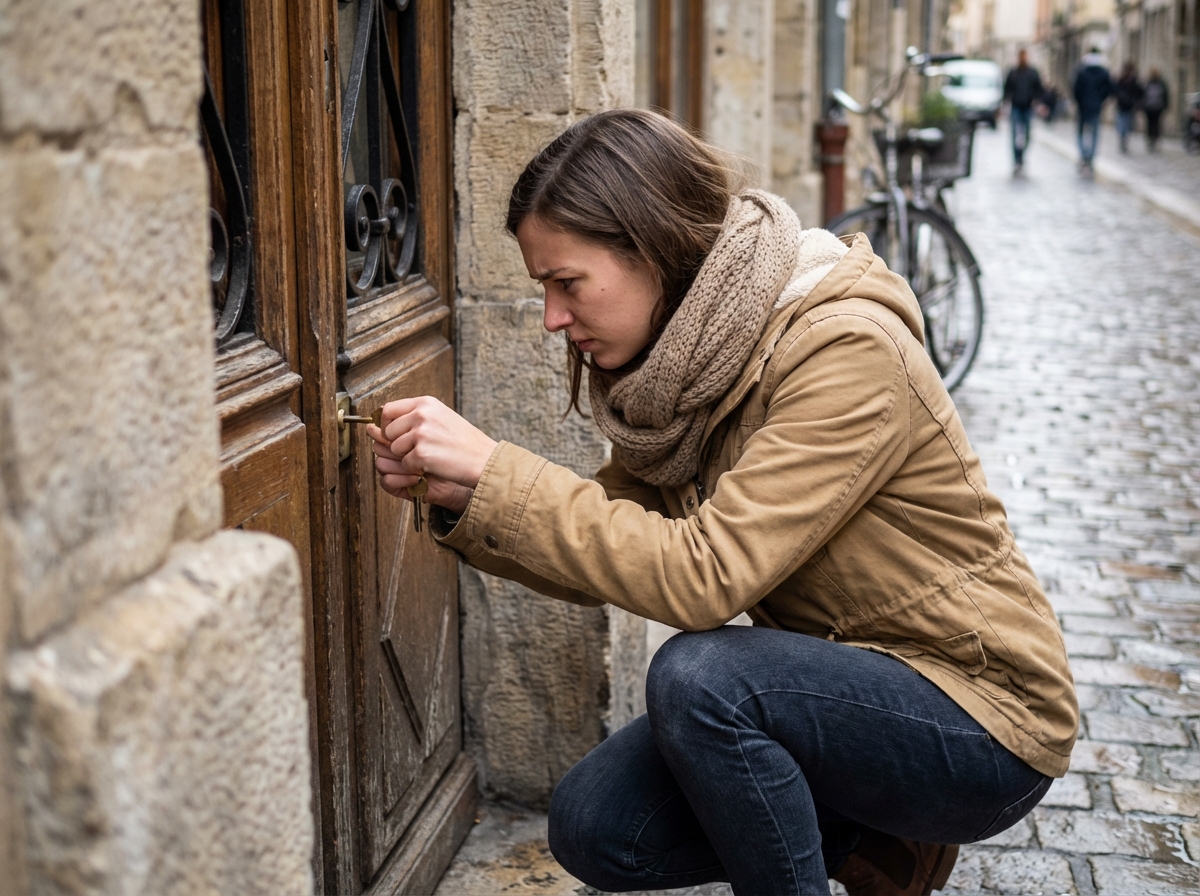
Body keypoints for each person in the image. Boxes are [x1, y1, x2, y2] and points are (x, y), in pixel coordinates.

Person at [367, 110, 1078, 896]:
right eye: (544, 289)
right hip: (844, 684)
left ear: (652, 247)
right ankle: (871, 845)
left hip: (980, 716)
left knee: (701, 676)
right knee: (598, 824)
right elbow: (616, 542)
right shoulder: (688, 366)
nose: (553, 319)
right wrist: (469, 498)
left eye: (567, 283)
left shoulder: (844, 347)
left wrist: (500, 469)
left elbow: (703, 579)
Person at [1073, 47, 1113, 172]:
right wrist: (1100, 99)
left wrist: (1079, 102)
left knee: (1080, 132)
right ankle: (1090, 157)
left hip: (1083, 107)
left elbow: (1076, 89)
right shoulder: (1103, 71)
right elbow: (1108, 88)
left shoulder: (1082, 70)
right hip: (1096, 106)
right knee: (1094, 134)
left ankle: (1084, 155)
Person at [1004, 49, 1044, 174]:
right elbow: (1007, 89)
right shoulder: (1013, 72)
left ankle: (1021, 156)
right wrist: (1004, 104)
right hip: (1016, 107)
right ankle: (1017, 160)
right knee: (1015, 135)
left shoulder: (1032, 73)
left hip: (1028, 107)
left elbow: (1038, 89)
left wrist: (1039, 103)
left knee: (1027, 135)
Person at [1113, 62, 1144, 154]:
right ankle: (1123, 140)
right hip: (1126, 106)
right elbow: (1139, 92)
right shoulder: (1130, 80)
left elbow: (1116, 90)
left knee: (1123, 123)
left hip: (1125, 106)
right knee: (1125, 124)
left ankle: (1123, 139)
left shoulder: (1123, 79)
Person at [1142, 68, 1169, 151]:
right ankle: (1152, 140)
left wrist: (1166, 105)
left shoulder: (1157, 83)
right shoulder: (1152, 83)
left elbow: (1165, 95)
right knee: (1153, 124)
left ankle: (1152, 140)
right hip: (1152, 108)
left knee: (1153, 124)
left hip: (1154, 108)